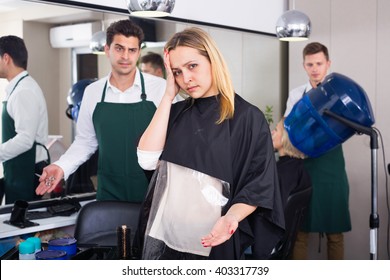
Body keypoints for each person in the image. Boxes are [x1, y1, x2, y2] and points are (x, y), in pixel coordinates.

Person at [135, 27, 285, 260]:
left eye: (192, 66)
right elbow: (146, 160)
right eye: (177, 72)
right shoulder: (174, 112)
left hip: (215, 238)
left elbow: (258, 185)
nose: (186, 79)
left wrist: (232, 217)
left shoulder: (247, 118)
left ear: (212, 60)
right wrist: (167, 96)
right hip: (166, 240)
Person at [36, 19, 172, 203]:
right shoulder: (92, 92)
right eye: (119, 48)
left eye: (132, 50)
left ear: (139, 52)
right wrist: (61, 167)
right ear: (107, 49)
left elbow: (178, 141)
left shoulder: (161, 89)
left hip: (153, 194)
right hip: (109, 192)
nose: (125, 56)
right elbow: (85, 142)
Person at [284, 42, 351, 260]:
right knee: (300, 230)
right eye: (310, 64)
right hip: (305, 166)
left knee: (335, 232)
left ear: (328, 64)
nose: (315, 68)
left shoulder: (340, 95)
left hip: (332, 168)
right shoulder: (296, 95)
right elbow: (288, 128)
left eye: (319, 63)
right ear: (304, 65)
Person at [0, 35, 49, 204]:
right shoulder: (19, 88)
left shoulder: (24, 91)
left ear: (6, 58)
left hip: (27, 173)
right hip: (19, 170)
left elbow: (25, 140)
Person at [271, 118, 311, 209]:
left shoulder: (281, 172)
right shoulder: (300, 166)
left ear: (285, 138)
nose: (272, 132)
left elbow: (276, 211)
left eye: (276, 130)